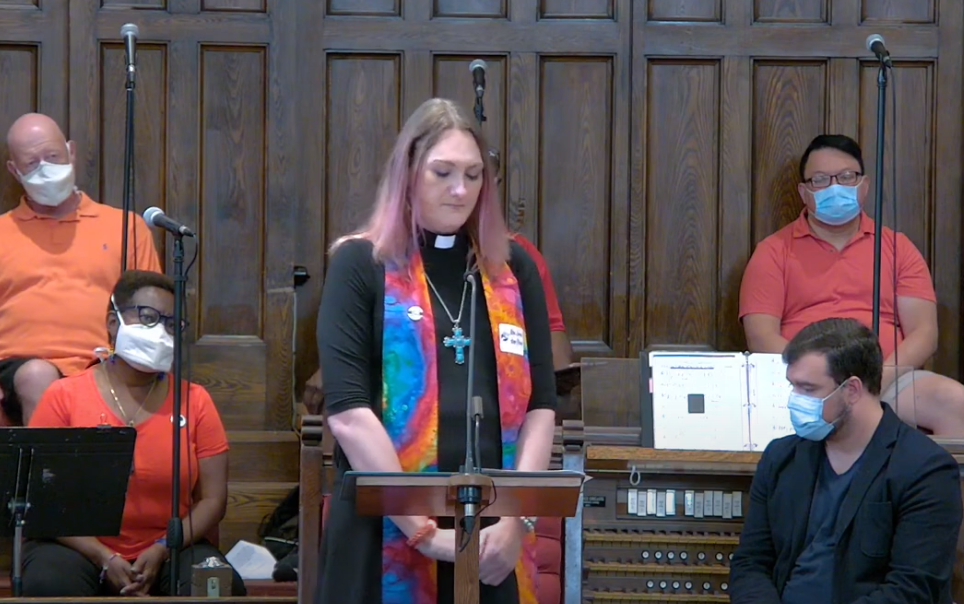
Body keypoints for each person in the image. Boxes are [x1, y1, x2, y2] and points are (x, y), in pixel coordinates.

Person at [315, 98, 557, 604]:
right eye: (442, 173)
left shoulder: (513, 270)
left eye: (473, 175)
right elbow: (349, 413)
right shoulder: (361, 263)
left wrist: (514, 518)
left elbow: (541, 407)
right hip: (379, 526)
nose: (460, 190)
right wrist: (422, 530)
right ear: (407, 173)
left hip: (493, 534)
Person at [22, 270, 244, 597]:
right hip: (77, 546)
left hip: (171, 546)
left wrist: (162, 548)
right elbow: (39, 499)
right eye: (148, 318)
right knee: (50, 584)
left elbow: (213, 500)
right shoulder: (63, 396)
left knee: (219, 588)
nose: (161, 332)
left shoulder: (195, 400)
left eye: (171, 324)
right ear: (113, 323)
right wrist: (103, 556)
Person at [739, 133, 964, 435]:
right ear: (804, 192)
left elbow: (924, 333)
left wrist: (878, 377)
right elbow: (760, 337)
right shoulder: (772, 251)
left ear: (865, 184)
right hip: (804, 384)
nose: (835, 187)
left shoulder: (897, 247)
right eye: (820, 180)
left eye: (847, 177)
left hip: (887, 380)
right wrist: (819, 376)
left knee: (957, 405)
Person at [729, 317, 962, 603]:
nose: (794, 400)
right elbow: (750, 563)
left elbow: (912, 589)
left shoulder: (926, 469)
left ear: (851, 390)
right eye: (793, 386)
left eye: (808, 389)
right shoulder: (780, 458)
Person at [0, 113, 162, 426]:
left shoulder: (126, 228)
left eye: (53, 157)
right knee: (38, 376)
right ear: (14, 171)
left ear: (71, 153)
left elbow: (151, 314)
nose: (45, 169)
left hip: (101, 365)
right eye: (32, 163)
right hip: (17, 371)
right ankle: (48, 475)